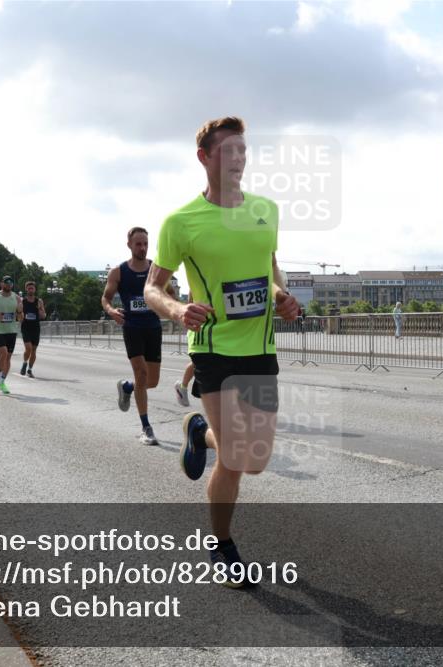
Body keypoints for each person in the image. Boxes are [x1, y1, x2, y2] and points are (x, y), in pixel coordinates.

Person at [144, 116, 299, 585]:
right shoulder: (181, 222)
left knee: (255, 461)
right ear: (205, 158)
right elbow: (154, 288)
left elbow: (271, 270)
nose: (239, 159)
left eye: (243, 151)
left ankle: (199, 433)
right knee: (233, 457)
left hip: (259, 350)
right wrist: (177, 310)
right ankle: (222, 546)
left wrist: (280, 297)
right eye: (228, 151)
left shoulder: (265, 211)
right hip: (211, 350)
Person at [103, 227, 168, 446]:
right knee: (142, 374)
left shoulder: (155, 269)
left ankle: (127, 387)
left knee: (152, 380)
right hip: (132, 327)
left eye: (145, 244)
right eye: (138, 243)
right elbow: (106, 298)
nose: (142, 248)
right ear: (129, 245)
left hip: (153, 326)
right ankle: (146, 427)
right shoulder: (119, 272)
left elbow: (170, 294)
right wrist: (111, 311)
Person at [19, 281, 46, 378]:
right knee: (28, 348)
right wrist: (20, 315)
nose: (31, 290)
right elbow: (18, 315)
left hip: (35, 328)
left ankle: (29, 369)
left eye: (32, 288)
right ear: (26, 289)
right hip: (26, 327)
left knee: (34, 350)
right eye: (29, 288)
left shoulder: (39, 301)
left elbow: (43, 316)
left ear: (35, 289)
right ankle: (24, 363)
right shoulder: (22, 301)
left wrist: (39, 309)